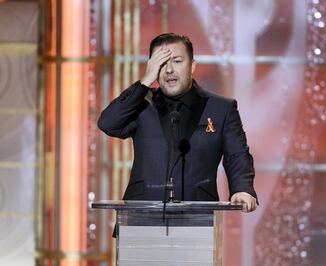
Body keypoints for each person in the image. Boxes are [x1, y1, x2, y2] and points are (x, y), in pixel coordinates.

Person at [98, 33, 257, 212]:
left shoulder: (221, 108)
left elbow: (236, 155)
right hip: (141, 216)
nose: (169, 70)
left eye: (177, 61)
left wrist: (242, 189)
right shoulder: (140, 104)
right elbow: (108, 123)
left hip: (197, 217)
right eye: (161, 63)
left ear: (192, 66)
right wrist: (144, 82)